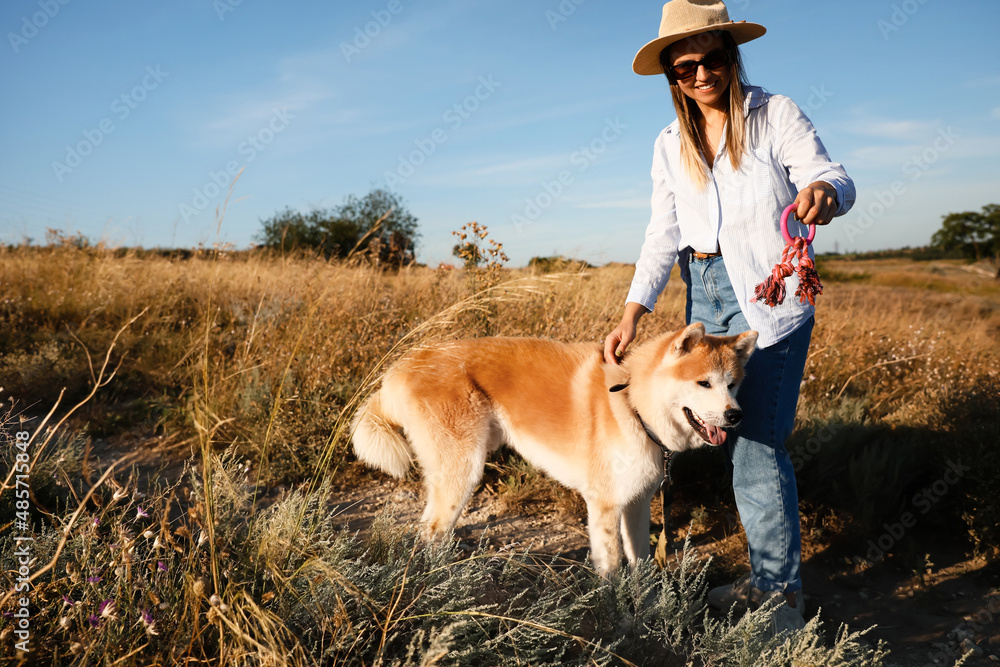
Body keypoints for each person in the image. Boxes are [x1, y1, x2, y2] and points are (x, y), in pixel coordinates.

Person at [603, 0, 855, 635]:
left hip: (769, 299)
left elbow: (831, 174)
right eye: (684, 68)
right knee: (671, 433)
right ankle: (654, 570)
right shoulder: (668, 144)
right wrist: (633, 312)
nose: (700, 74)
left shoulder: (774, 115)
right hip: (702, 297)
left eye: (712, 58)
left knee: (756, 448)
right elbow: (662, 234)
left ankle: (780, 601)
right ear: (672, 78)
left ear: (732, 54)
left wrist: (823, 194)